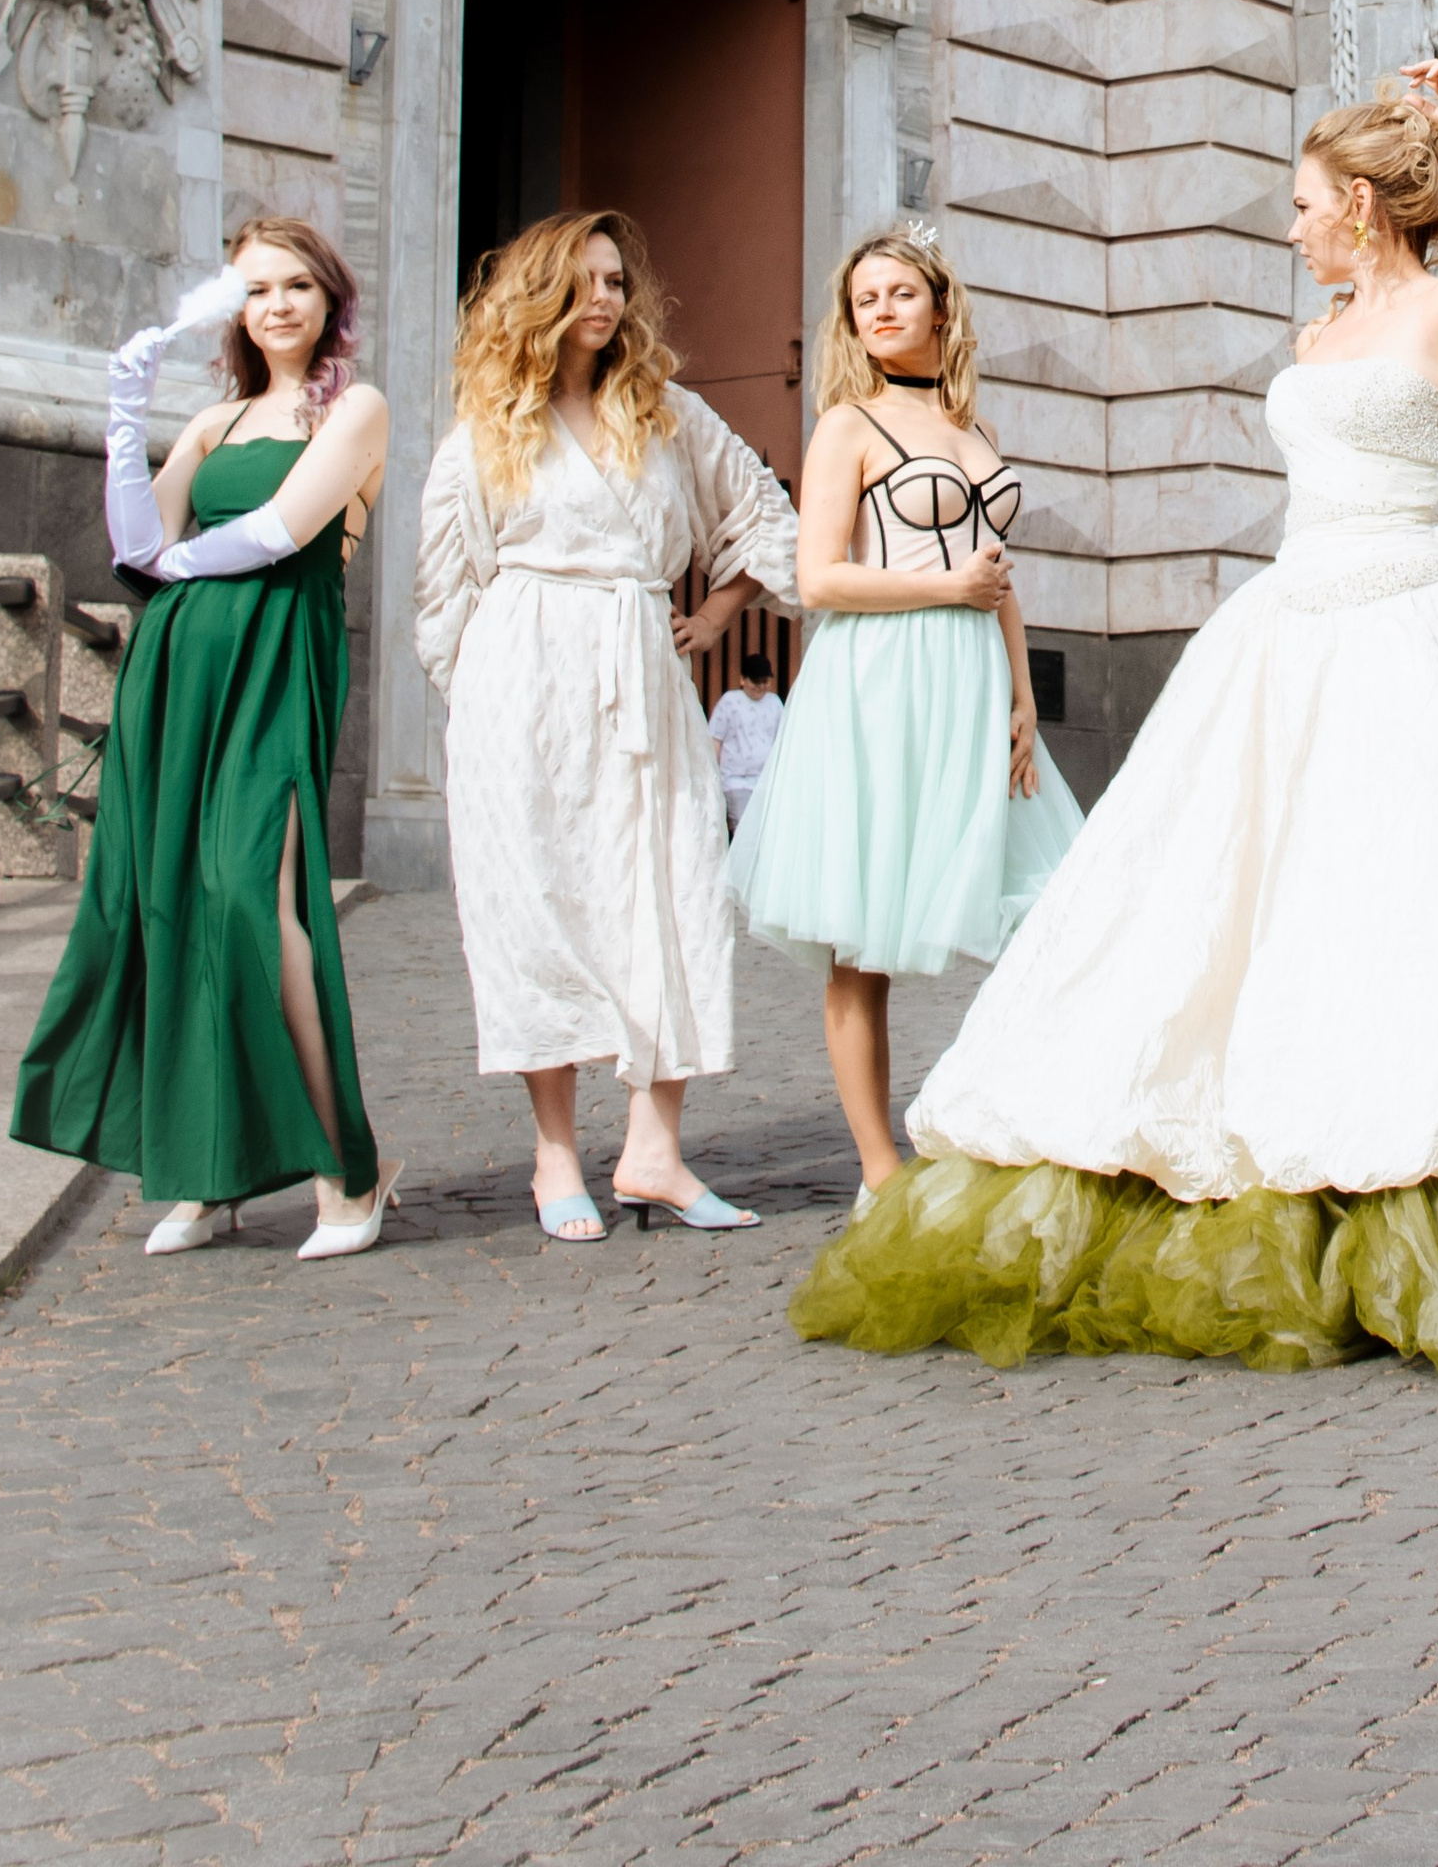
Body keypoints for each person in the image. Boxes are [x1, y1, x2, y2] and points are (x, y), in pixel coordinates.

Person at [793, 62, 1438, 1381]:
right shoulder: (1316, 337)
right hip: (1284, 626)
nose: (1291, 226)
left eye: (1305, 205)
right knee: (1230, 900)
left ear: (1362, 208)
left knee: (1425, 898)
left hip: (1416, 620)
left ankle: (1424, 1160)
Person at [14, 221, 400, 1260]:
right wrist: (120, 415)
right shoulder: (215, 418)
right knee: (167, 902)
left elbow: (281, 530)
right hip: (176, 674)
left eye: (296, 285)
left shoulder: (353, 407)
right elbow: (138, 545)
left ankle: (348, 1173)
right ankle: (205, 1168)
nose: (276, 304)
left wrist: (180, 564)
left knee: (250, 899)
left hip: (275, 661)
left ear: (330, 299)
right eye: (256, 287)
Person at [415, 212, 797, 1240]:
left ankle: (654, 1152)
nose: (605, 297)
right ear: (537, 294)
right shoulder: (485, 430)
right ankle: (553, 1156)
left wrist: (716, 612)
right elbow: (445, 594)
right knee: (536, 903)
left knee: (671, 895)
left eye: (618, 281)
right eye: (583, 280)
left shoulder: (666, 412)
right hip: (522, 686)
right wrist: (486, 716)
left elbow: (763, 513)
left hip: (642, 668)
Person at [726, 223, 1083, 1198]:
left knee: (1049, 906)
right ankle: (879, 1169)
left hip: (974, 675)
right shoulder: (849, 423)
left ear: (938, 304)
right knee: (862, 928)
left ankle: (1010, 1116)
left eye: (898, 294)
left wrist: (1021, 696)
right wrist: (946, 591)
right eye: (863, 300)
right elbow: (817, 578)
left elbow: (998, 581)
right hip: (879, 679)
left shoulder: (977, 433)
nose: (880, 311)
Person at [710, 653, 784, 834]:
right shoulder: (729, 701)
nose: (760, 686)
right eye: (755, 681)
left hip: (767, 781)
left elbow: (781, 741)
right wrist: (713, 777)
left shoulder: (774, 702)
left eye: (764, 681)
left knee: (769, 832)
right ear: (742, 679)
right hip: (736, 780)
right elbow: (715, 740)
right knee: (745, 831)